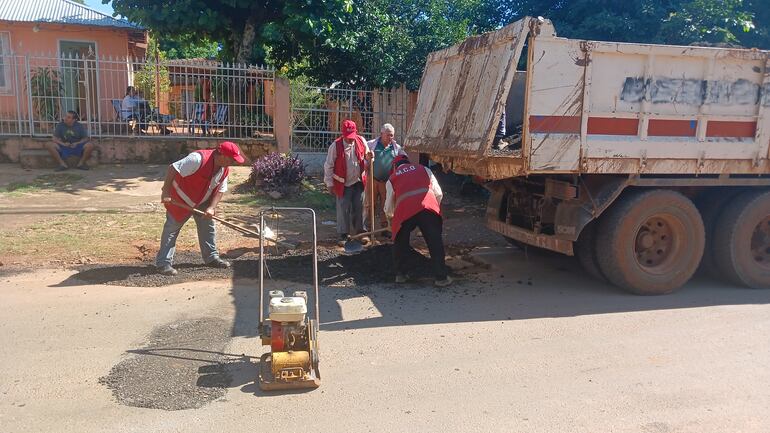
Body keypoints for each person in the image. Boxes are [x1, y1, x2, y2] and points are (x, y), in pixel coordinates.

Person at [156, 141, 245, 276]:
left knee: (208, 227)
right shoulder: (197, 159)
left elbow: (220, 190)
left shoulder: (224, 169)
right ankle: (163, 263)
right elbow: (173, 168)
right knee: (171, 229)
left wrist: (211, 207)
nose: (233, 162)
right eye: (231, 158)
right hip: (180, 199)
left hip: (203, 201)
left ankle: (211, 258)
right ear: (221, 154)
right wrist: (166, 192)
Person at [384, 155, 451, 287]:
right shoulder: (424, 169)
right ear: (408, 163)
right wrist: (434, 209)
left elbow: (388, 206)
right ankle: (441, 278)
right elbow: (438, 193)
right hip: (427, 208)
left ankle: (401, 275)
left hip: (405, 211)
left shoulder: (392, 178)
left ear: (395, 167)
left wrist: (392, 220)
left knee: (400, 241)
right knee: (434, 241)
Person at [324, 119, 369, 246]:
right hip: (342, 184)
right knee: (343, 208)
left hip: (358, 181)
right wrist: (329, 184)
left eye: (352, 137)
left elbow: (367, 155)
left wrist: (370, 157)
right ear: (343, 134)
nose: (351, 140)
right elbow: (328, 166)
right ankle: (343, 235)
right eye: (348, 138)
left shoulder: (360, 141)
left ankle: (360, 233)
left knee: (359, 207)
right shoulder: (335, 146)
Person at [366, 123, 406, 235]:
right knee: (370, 204)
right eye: (388, 135)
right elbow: (363, 157)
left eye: (392, 135)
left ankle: (385, 228)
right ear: (381, 134)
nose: (390, 138)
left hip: (387, 182)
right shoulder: (371, 145)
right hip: (373, 180)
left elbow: (404, 158)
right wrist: (368, 158)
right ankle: (369, 229)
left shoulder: (396, 148)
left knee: (386, 205)